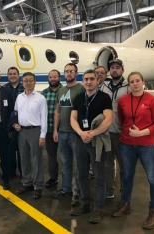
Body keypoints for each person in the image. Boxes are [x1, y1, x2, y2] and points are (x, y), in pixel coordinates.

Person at [112, 72, 154, 230]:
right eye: (132, 82)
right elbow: (122, 120)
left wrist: (141, 133)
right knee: (127, 176)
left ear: (142, 82)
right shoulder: (123, 101)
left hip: (147, 145)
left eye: (137, 81)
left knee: (153, 179)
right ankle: (125, 203)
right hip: (126, 144)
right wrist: (130, 133)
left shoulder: (151, 100)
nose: (135, 84)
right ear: (128, 84)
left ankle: (153, 211)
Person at [70, 69, 113, 223]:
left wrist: (92, 133)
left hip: (97, 142)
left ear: (97, 80)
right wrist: (81, 133)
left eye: (91, 79)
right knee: (81, 174)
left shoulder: (104, 98)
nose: (88, 82)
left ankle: (98, 208)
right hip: (80, 140)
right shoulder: (78, 97)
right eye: (86, 79)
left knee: (99, 176)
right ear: (83, 81)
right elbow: (73, 118)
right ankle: (84, 204)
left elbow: (108, 120)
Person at [52, 63, 84, 206]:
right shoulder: (61, 90)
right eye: (66, 71)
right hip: (63, 132)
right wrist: (55, 130)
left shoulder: (81, 89)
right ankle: (66, 189)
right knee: (65, 163)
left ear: (76, 73)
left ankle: (78, 192)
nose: (68, 73)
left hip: (76, 134)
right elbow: (58, 111)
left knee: (78, 164)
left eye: (71, 71)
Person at [14, 72, 47, 199]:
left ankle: (38, 186)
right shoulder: (19, 97)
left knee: (36, 159)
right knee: (24, 158)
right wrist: (15, 124)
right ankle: (26, 183)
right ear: (22, 82)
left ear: (34, 82)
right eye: (26, 80)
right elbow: (15, 113)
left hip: (35, 131)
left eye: (31, 80)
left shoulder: (40, 98)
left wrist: (42, 135)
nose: (28, 82)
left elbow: (43, 118)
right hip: (22, 131)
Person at [100, 59, 131, 199]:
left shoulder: (129, 87)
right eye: (112, 68)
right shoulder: (104, 86)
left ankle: (125, 191)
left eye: (117, 67)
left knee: (124, 165)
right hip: (107, 132)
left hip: (123, 133)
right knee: (107, 164)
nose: (114, 70)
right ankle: (109, 190)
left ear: (122, 70)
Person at [41, 69, 62, 188]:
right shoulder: (43, 93)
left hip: (63, 129)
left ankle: (66, 179)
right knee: (51, 156)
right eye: (51, 77)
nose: (53, 79)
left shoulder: (65, 91)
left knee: (65, 156)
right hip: (49, 129)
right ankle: (53, 178)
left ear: (59, 78)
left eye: (55, 77)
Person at [3, 67, 25, 178]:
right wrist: (9, 126)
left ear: (18, 75)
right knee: (10, 150)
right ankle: (11, 171)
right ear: (8, 76)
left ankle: (23, 172)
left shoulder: (24, 87)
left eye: (14, 73)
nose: (12, 75)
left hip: (22, 123)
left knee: (21, 150)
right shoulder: (4, 88)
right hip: (9, 123)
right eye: (10, 73)